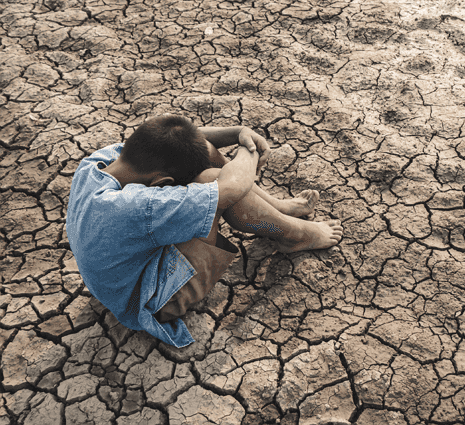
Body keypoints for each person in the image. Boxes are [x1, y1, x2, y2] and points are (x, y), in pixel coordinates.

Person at [65, 115, 343, 347]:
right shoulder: (139, 206)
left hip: (116, 281)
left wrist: (238, 132)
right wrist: (249, 149)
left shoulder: (98, 163)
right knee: (214, 181)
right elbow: (232, 187)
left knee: (203, 154)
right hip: (148, 300)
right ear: (162, 183)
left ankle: (278, 208)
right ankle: (296, 235)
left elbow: (185, 140)